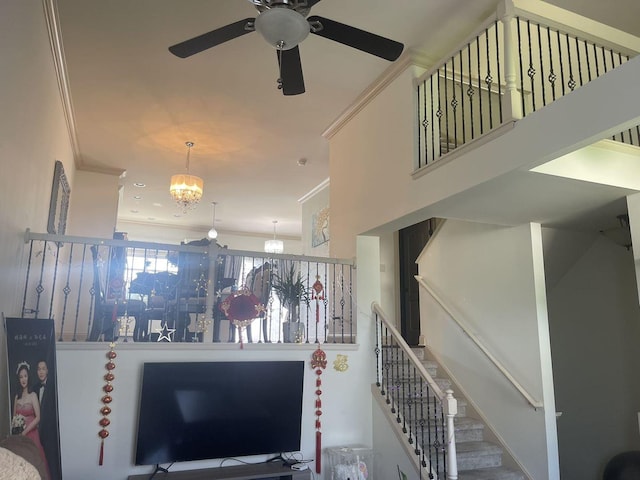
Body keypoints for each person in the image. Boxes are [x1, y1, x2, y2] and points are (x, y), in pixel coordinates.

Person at [13, 361, 50, 479]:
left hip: (32, 435)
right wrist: (17, 430)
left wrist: (25, 431)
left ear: (29, 377)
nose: (23, 379)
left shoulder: (33, 395)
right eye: (21, 377)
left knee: (34, 463)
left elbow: (38, 417)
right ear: (18, 379)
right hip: (20, 437)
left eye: (25, 376)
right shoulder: (16, 397)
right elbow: (14, 418)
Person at [37, 359, 61, 480]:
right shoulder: (35, 389)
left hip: (51, 436)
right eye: (39, 369)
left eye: (43, 369)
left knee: (52, 466)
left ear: (47, 371)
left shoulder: (53, 388)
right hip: (39, 435)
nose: (41, 372)